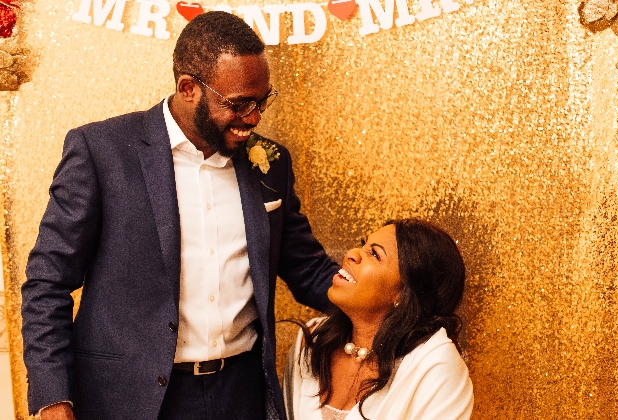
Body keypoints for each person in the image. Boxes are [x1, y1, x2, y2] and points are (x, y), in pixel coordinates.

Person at [21, 11, 339, 420]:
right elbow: (48, 282)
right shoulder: (101, 151)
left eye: (262, 102)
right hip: (129, 399)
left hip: (240, 394)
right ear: (188, 87)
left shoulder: (270, 162)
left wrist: (390, 306)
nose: (254, 118)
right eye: (240, 104)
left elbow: (306, 268)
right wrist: (53, 398)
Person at [283, 219, 474, 420]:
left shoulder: (435, 366)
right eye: (362, 244)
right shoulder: (311, 341)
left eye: (374, 254)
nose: (351, 254)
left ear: (403, 294)